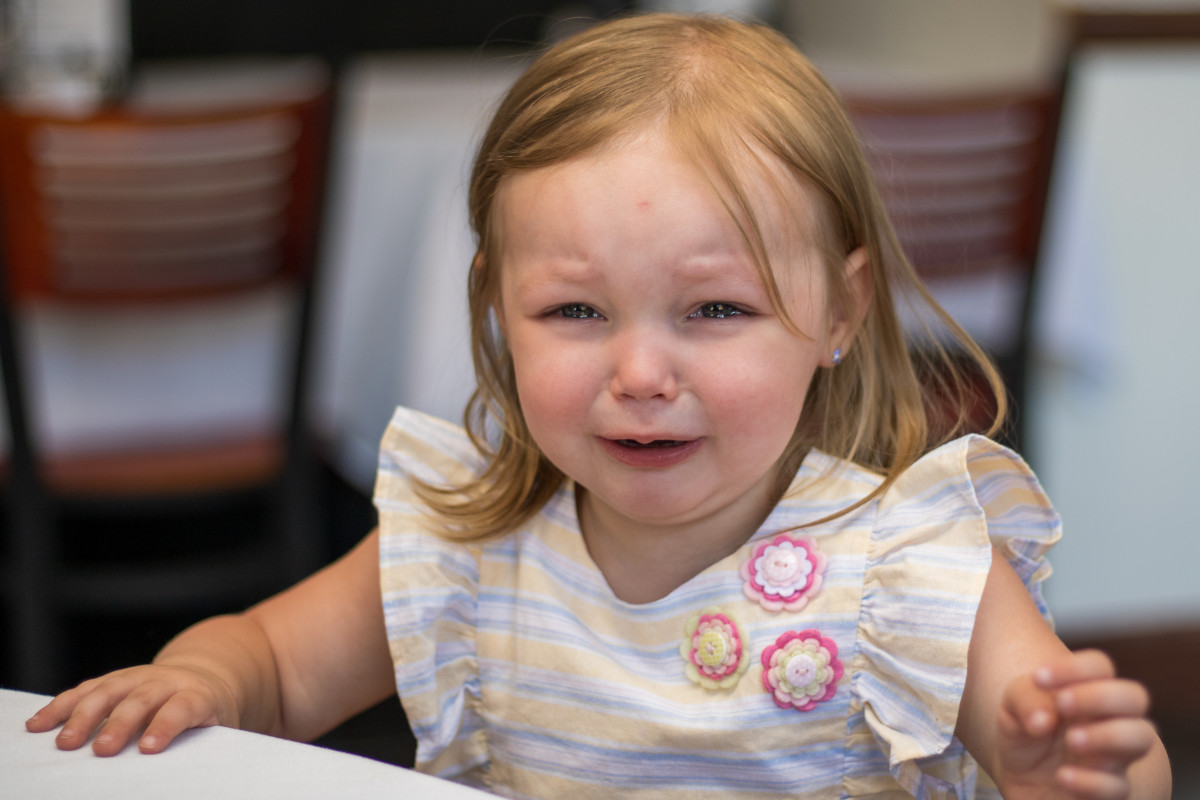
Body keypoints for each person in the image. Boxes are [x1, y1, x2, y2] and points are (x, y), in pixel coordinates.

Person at [26, 13, 1171, 799]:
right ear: (496, 312)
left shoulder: (910, 561)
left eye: (715, 310)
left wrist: (1076, 770)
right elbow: (272, 663)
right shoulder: (469, 550)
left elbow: (1091, 758)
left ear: (839, 313)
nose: (640, 372)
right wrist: (199, 678)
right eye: (575, 313)